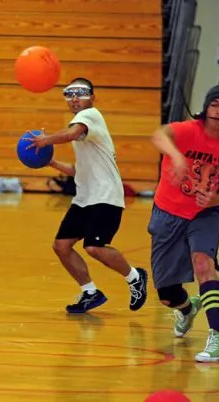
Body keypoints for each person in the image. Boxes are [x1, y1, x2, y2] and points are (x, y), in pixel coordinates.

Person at [26, 77, 148, 314]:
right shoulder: (83, 131)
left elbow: (71, 134)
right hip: (85, 198)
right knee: (61, 246)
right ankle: (90, 292)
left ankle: (135, 277)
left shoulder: (91, 116)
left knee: (94, 247)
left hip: (106, 197)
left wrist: (45, 140)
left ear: (92, 97)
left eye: (81, 93)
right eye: (69, 94)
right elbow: (77, 170)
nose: (74, 98)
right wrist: (50, 162)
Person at [148, 78, 219, 362]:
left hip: (205, 213)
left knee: (204, 264)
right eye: (214, 104)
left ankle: (218, 340)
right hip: (167, 211)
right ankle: (188, 308)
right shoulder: (187, 130)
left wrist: (217, 199)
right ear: (205, 107)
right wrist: (176, 155)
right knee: (166, 292)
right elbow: (159, 134)